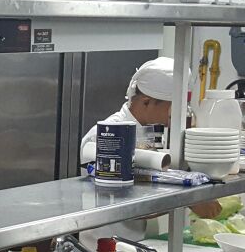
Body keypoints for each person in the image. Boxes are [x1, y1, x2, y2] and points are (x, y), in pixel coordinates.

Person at [81, 56, 221, 220]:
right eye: (172, 109)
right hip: (106, 233)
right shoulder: (105, 136)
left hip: (141, 234)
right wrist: (189, 199)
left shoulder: (151, 131)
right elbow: (118, 205)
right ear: (146, 102)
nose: (175, 117)